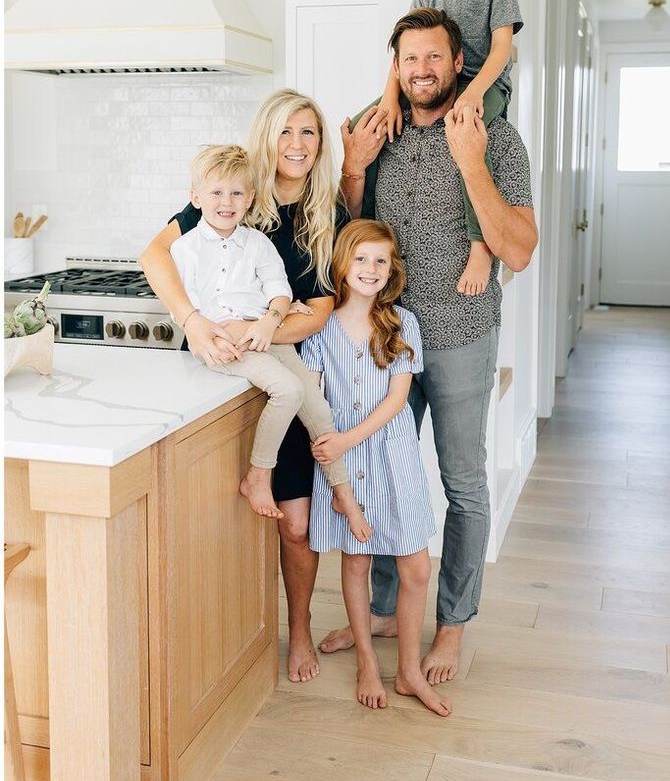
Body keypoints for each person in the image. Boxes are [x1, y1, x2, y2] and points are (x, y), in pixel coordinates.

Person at [321, 7, 538, 685]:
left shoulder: (495, 137)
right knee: (383, 473)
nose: (422, 70)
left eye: (434, 57)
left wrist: (470, 161)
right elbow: (352, 240)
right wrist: (353, 172)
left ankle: (450, 625)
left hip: (462, 337)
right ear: (396, 65)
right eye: (409, 58)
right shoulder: (376, 130)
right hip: (386, 341)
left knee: (462, 483)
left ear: (457, 62)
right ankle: (386, 608)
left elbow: (520, 251)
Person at [140, 89, 375, 682]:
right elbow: (154, 255)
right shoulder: (232, 191)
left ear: (320, 144)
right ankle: (234, 643)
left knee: (296, 525)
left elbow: (319, 309)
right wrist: (193, 322)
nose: (297, 145)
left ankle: (296, 633)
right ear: (265, 136)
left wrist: (259, 326)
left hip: (284, 359)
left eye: (310, 133)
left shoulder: (329, 214)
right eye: (286, 132)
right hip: (225, 369)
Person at [169, 142, 371, 539]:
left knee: (317, 404)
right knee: (288, 389)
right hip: (225, 344)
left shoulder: (257, 243)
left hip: (262, 334)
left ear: (250, 199)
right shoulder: (185, 248)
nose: (227, 202)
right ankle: (258, 475)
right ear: (195, 198)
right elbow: (187, 309)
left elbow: (279, 290)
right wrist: (219, 331)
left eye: (237, 193)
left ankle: (341, 491)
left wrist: (271, 319)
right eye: (216, 193)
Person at [304, 219, 451, 717]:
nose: (370, 269)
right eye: (361, 259)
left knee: (416, 565)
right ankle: (368, 660)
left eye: (380, 261)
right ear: (343, 264)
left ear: (391, 270)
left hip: (392, 453)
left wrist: (348, 437)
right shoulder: (319, 327)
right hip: (343, 465)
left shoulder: (402, 323)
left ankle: (408, 671)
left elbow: (397, 400)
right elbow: (316, 401)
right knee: (356, 560)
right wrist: (337, 450)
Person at [358, 0, 523, 297]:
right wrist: (390, 99)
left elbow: (502, 48)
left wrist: (472, 94)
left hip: (485, 83)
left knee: (470, 145)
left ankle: (479, 245)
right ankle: (363, 229)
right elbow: (405, 48)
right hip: (436, 77)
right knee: (366, 123)